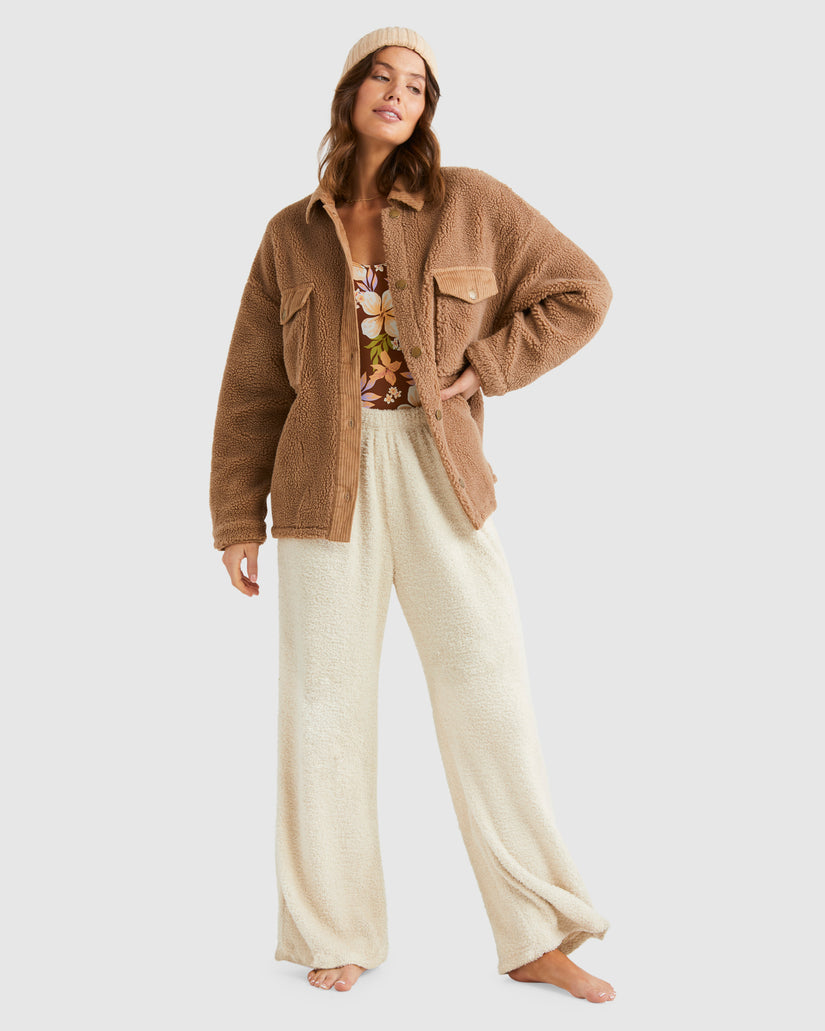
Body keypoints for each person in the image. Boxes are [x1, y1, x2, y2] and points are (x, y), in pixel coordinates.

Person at [209, 26, 616, 1002]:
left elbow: (581, 291)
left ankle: (537, 930)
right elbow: (253, 385)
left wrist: (489, 366)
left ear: (429, 108)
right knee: (323, 706)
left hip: (440, 468)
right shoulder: (289, 233)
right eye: (382, 76)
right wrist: (235, 516)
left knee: (489, 691)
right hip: (320, 482)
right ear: (350, 91)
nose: (399, 92)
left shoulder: (470, 201)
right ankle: (333, 928)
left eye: (418, 84)